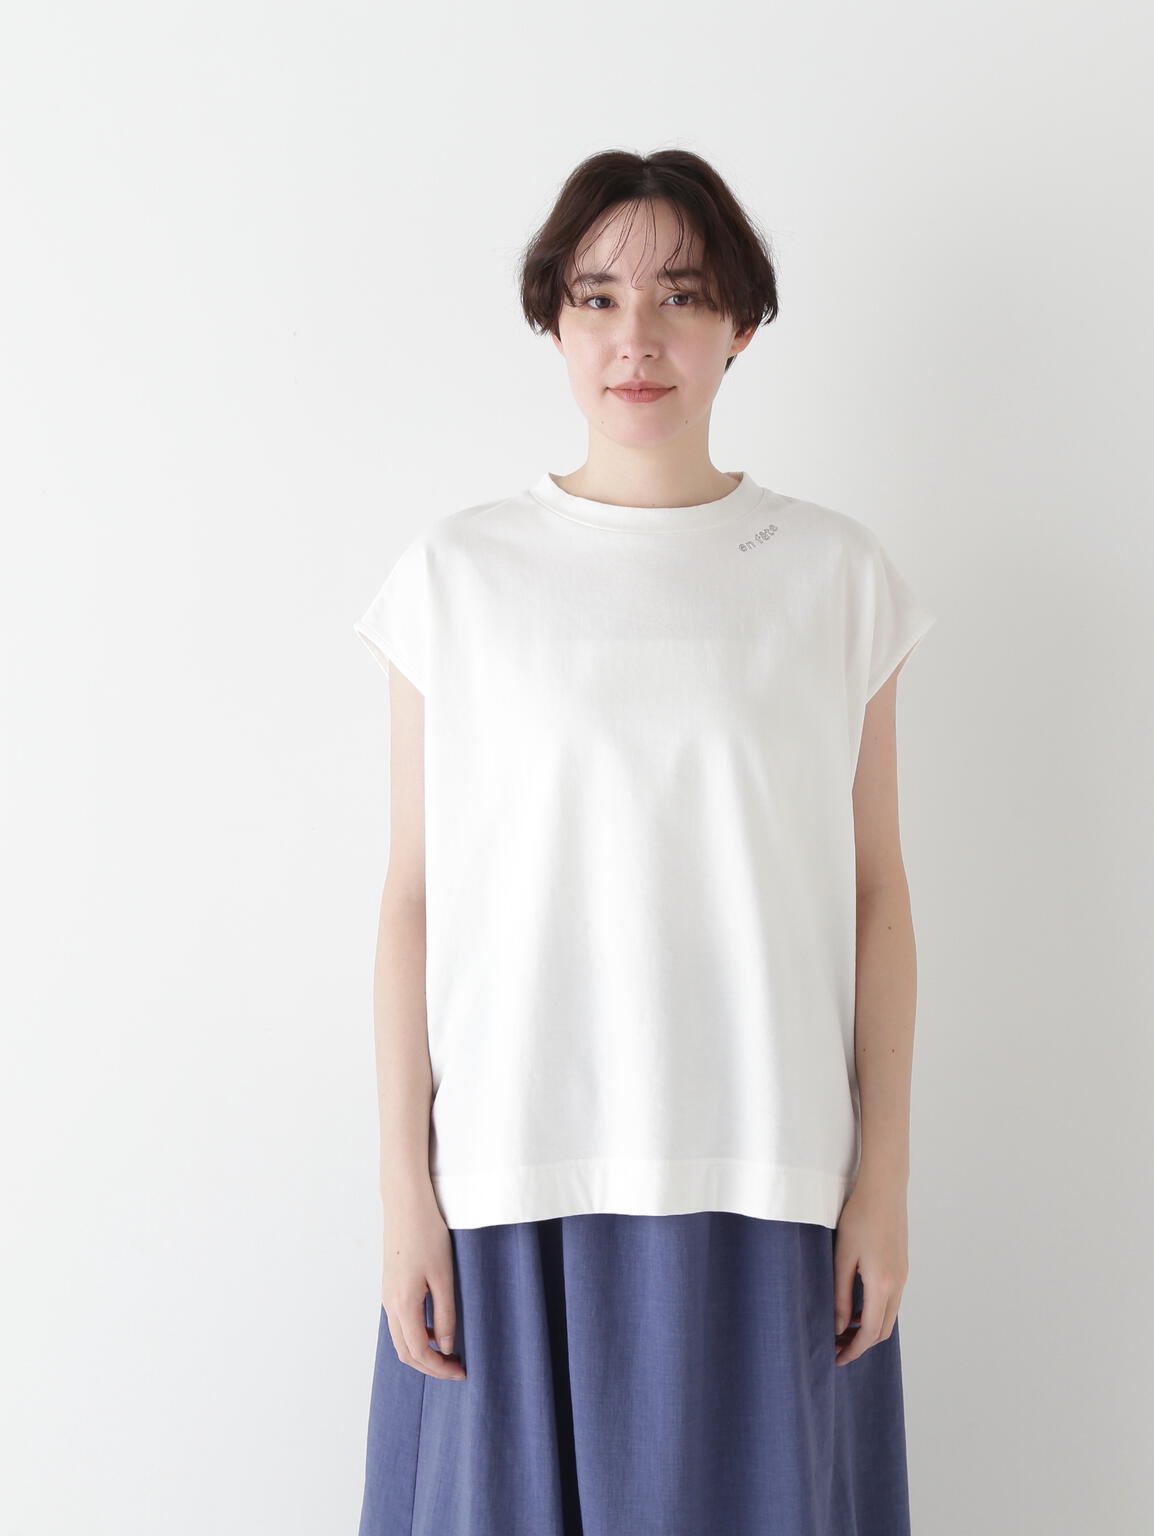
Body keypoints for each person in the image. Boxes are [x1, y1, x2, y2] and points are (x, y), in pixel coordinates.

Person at [352, 148, 936, 1535]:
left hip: (766, 1168)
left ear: (742, 323)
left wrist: (883, 1186)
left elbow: (877, 895)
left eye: (682, 295)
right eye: (598, 297)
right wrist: (404, 1195)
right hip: (511, 1171)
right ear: (553, 320)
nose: (637, 338)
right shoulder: (459, 575)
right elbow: (413, 901)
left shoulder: (833, 573)